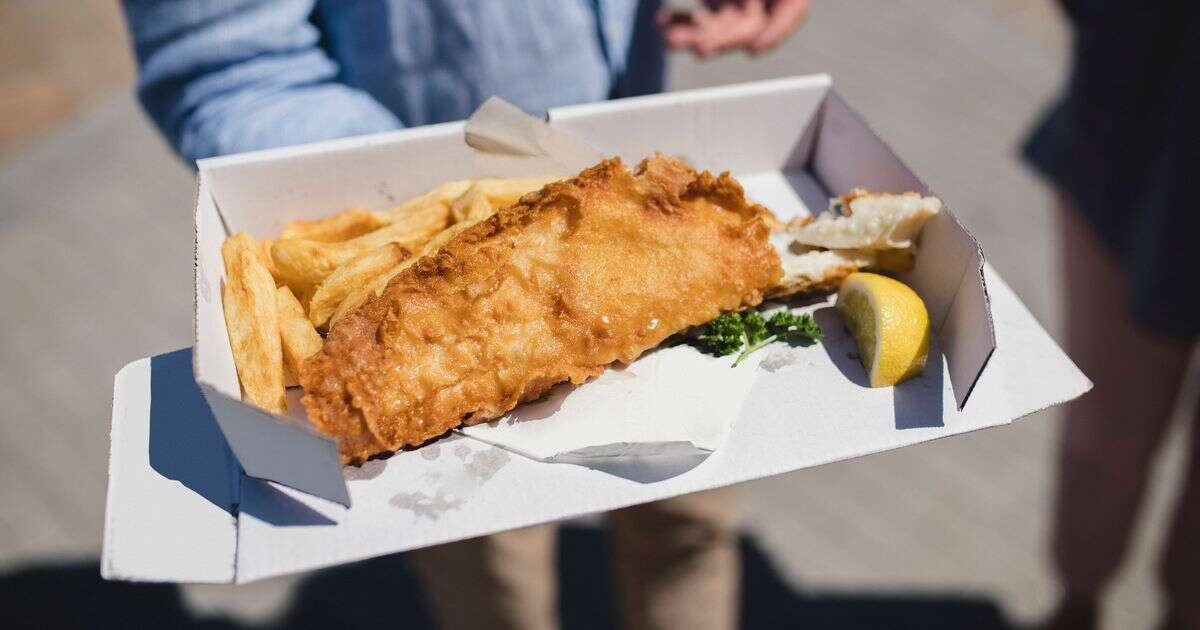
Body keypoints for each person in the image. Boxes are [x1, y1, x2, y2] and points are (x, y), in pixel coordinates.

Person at [119, 1, 808, 629]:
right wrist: (410, 165)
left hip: (654, 202)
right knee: (494, 588)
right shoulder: (365, 371)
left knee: (689, 531)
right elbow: (227, 62)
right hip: (435, 327)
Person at [1023, 2, 1199, 629]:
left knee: (1105, 438)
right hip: (1151, 112)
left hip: (1142, 106)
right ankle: (1078, 604)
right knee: (1107, 439)